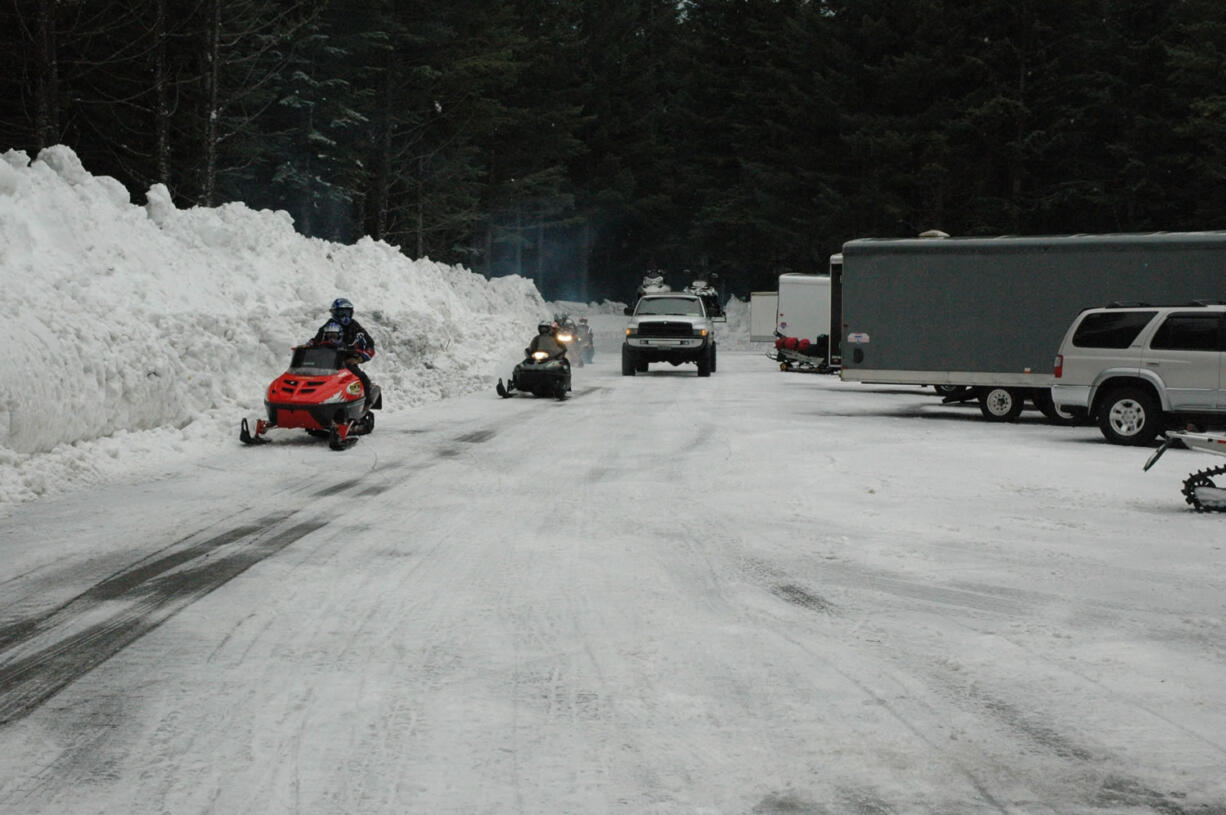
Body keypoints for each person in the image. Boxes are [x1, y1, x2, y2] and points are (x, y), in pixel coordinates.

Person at [311, 297, 378, 402]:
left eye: (346, 313)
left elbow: (370, 344)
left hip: (347, 361)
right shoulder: (329, 325)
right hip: (327, 361)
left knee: (362, 378)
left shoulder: (355, 326)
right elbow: (315, 341)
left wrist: (359, 358)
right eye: (341, 313)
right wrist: (307, 347)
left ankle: (365, 403)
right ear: (335, 313)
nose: (344, 316)